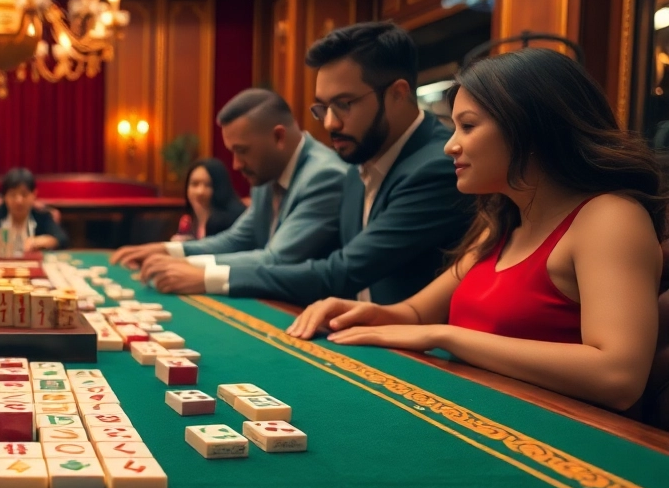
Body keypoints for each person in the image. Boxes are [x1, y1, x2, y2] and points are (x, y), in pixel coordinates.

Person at [288, 48, 665, 412]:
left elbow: (618, 377)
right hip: (476, 414)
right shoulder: (505, 219)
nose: (450, 146)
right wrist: (358, 312)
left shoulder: (610, 218)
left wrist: (446, 335)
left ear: (529, 129)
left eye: (468, 127)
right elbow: (417, 313)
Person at [192, 22, 472, 304]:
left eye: (344, 104)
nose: (329, 122)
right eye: (323, 108)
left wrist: (209, 278)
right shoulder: (355, 165)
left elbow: (339, 272)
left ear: (398, 94)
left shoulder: (438, 167)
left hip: (407, 347)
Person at [110, 88, 346, 294]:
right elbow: (238, 239)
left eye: (242, 151)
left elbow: (277, 259)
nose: (236, 164)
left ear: (278, 136)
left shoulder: (323, 175)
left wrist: (196, 271)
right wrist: (167, 250)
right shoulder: (268, 174)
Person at [0, 168, 70, 253]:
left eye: (24, 194)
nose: (19, 201)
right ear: (4, 196)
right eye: (13, 195)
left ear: (34, 194)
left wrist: (37, 242)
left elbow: (62, 239)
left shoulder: (42, 215)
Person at [172, 158, 246, 241]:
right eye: (195, 184)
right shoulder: (187, 221)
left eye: (208, 185)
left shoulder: (230, 221)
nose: (200, 192)